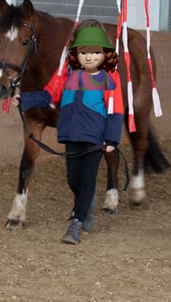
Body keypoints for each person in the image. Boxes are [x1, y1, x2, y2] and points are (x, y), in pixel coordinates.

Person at [12, 22, 124, 245]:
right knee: (73, 180)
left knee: (88, 179)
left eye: (95, 52)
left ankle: (76, 224)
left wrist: (111, 139)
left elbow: (116, 110)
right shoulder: (67, 73)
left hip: (95, 137)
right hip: (71, 134)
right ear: (76, 52)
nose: (89, 57)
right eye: (84, 52)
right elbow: (48, 95)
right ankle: (85, 205)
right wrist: (25, 99)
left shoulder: (109, 78)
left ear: (104, 53)